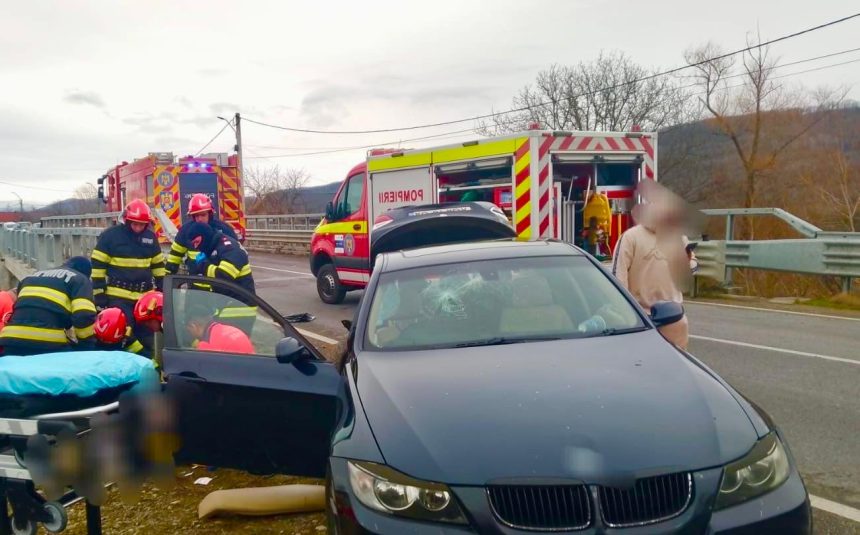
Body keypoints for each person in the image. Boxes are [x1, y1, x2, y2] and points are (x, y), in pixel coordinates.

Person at [611, 185, 698, 350]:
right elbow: (618, 277)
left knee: (677, 364)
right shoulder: (630, 238)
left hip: (674, 316)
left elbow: (692, 268)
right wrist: (625, 313)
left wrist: (689, 263)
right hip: (641, 317)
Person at [91, 199, 165, 357]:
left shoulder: (151, 238)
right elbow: (97, 268)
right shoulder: (110, 237)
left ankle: (150, 365)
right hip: (118, 297)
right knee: (122, 335)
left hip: (144, 300)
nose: (138, 228)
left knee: (148, 336)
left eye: (142, 224)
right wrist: (100, 296)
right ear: (127, 221)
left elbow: (158, 267)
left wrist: (162, 291)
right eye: (135, 224)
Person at [0, 256, 96, 355]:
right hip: (47, 343)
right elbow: (83, 315)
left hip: (10, 340)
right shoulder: (81, 279)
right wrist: (87, 345)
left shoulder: (32, 276)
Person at [165, 194, 238, 275]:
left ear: (210, 214)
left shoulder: (224, 229)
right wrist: (168, 277)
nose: (200, 219)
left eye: (203, 215)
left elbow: (236, 257)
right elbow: (175, 256)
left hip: (218, 284)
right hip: (195, 284)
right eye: (196, 215)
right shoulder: (186, 230)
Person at [185, 305, 254, 354]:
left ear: (193, 326)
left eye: (189, 331)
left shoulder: (207, 344)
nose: (190, 334)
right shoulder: (226, 329)